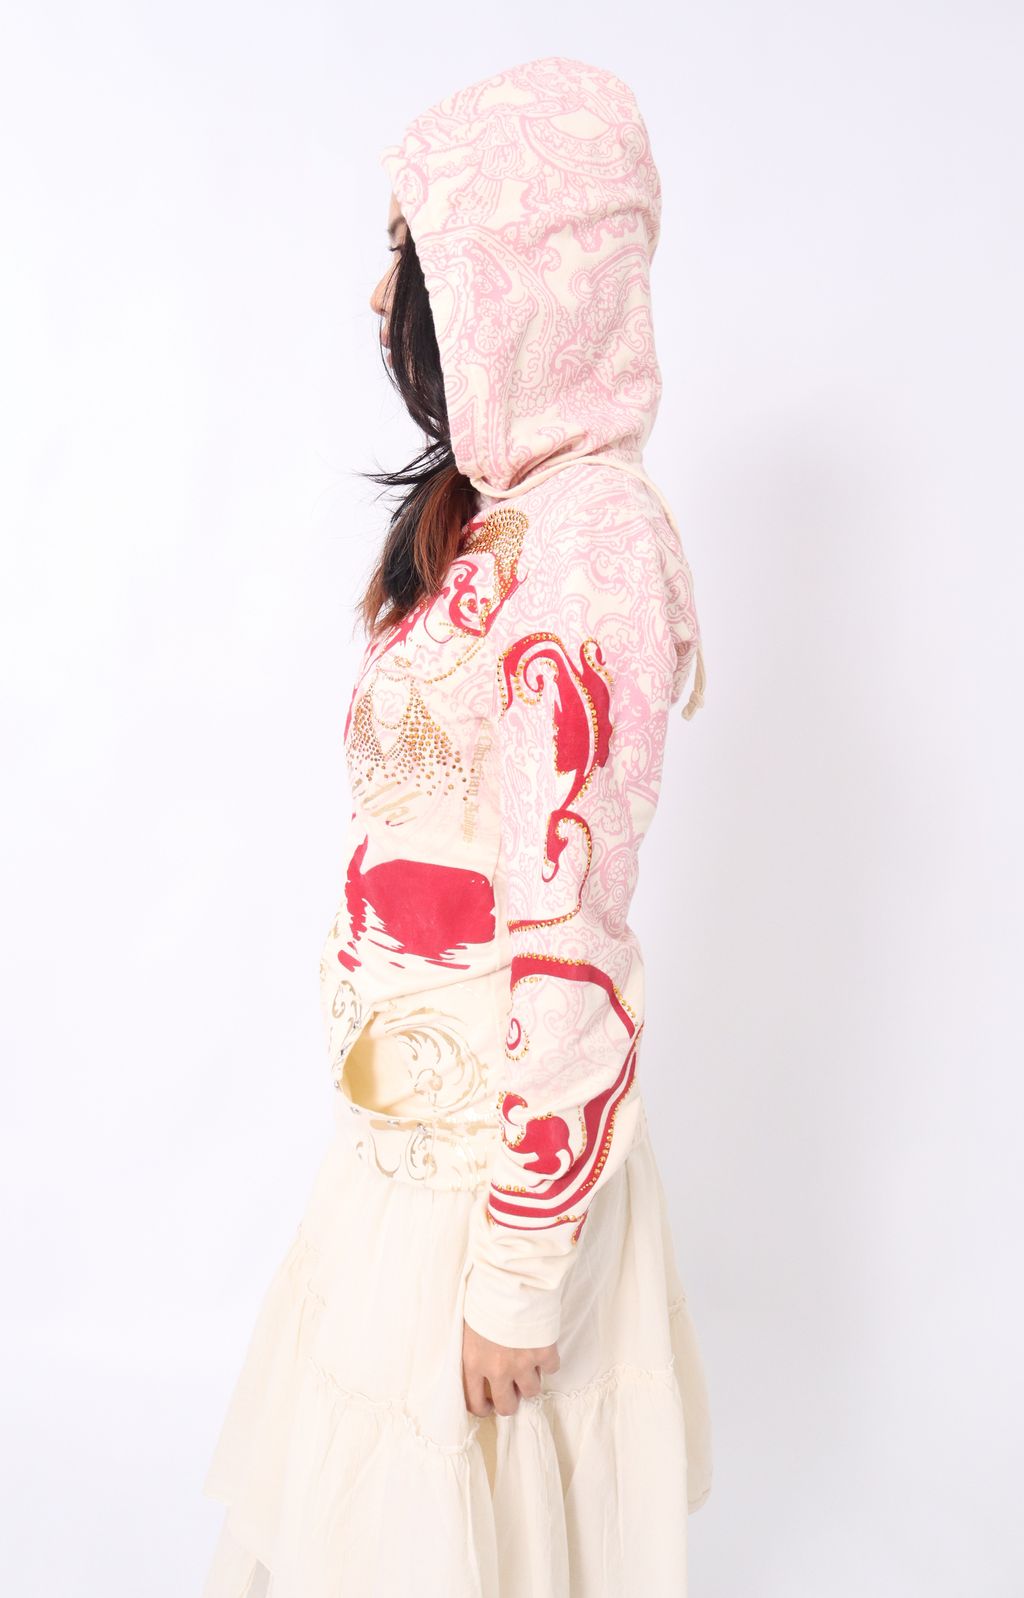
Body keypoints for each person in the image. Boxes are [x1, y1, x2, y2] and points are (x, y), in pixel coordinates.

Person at [200, 53, 712, 1598]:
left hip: (488, 1179)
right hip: (403, 1149)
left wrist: (518, 1270)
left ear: (515, 278)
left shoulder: (594, 549)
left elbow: (575, 928)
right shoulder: (507, 521)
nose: (378, 297)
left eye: (411, 255)